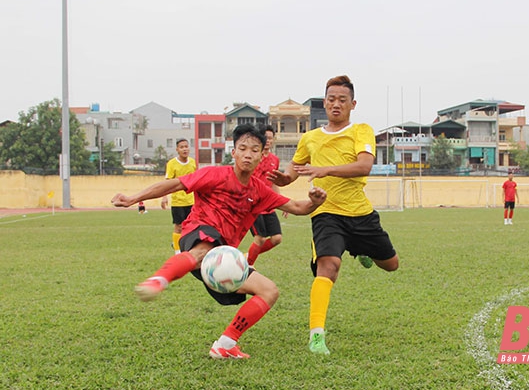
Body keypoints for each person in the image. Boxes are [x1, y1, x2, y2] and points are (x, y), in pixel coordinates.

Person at [111, 124, 326, 359]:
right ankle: (158, 280)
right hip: (198, 232)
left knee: (269, 291)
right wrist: (134, 198)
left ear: (262, 155)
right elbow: (174, 184)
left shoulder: (260, 191)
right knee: (202, 251)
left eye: (255, 150)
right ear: (233, 152)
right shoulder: (214, 174)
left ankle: (225, 343)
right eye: (242, 148)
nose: (248, 154)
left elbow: (297, 207)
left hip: (225, 255)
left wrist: (314, 202)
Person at [269, 75, 399, 355]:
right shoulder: (310, 138)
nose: (336, 104)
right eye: (331, 99)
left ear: (352, 104)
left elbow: (364, 166)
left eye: (342, 99)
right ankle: (317, 336)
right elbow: (295, 169)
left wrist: (325, 170)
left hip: (360, 213)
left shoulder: (361, 130)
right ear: (324, 102)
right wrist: (282, 179)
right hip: (325, 212)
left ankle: (358, 248)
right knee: (328, 266)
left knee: (391, 265)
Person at [246, 124, 284, 266]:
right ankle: (249, 265)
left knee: (277, 238)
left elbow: (274, 183)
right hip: (254, 204)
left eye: (270, 138)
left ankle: (246, 257)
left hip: (268, 204)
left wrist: (281, 203)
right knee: (260, 238)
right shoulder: (254, 157)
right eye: (265, 138)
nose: (268, 140)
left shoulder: (275, 160)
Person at [161, 138, 197, 254]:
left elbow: (197, 180)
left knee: (191, 226)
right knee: (179, 226)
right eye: (182, 147)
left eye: (186, 146)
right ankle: (177, 251)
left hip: (191, 200)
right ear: (177, 149)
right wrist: (164, 196)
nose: (184, 149)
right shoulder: (172, 164)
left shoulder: (193, 162)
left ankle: (188, 247)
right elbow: (167, 182)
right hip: (178, 201)